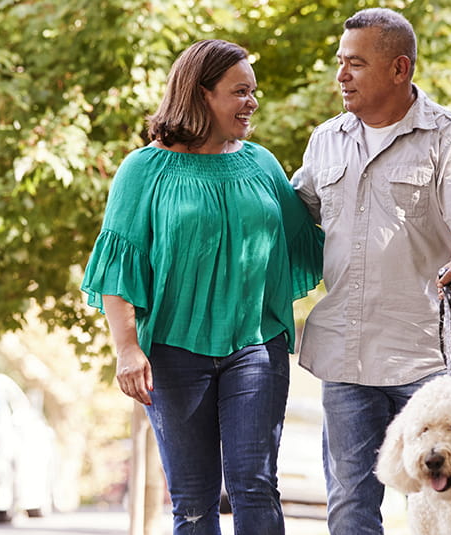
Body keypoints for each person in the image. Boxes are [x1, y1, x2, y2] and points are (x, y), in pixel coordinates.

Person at [80, 39, 323, 535]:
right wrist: (126, 348)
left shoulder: (262, 164)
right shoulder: (142, 172)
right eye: (239, 92)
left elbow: (312, 235)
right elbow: (119, 266)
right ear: (201, 93)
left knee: (255, 485)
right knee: (192, 501)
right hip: (172, 354)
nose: (251, 102)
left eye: (253, 92)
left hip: (256, 346)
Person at [289, 8, 451, 535]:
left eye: (355, 64)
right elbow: (293, 215)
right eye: (341, 63)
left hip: (426, 357)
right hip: (346, 354)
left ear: (399, 68)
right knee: (349, 504)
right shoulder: (326, 140)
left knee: (438, 508)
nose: (341, 76)